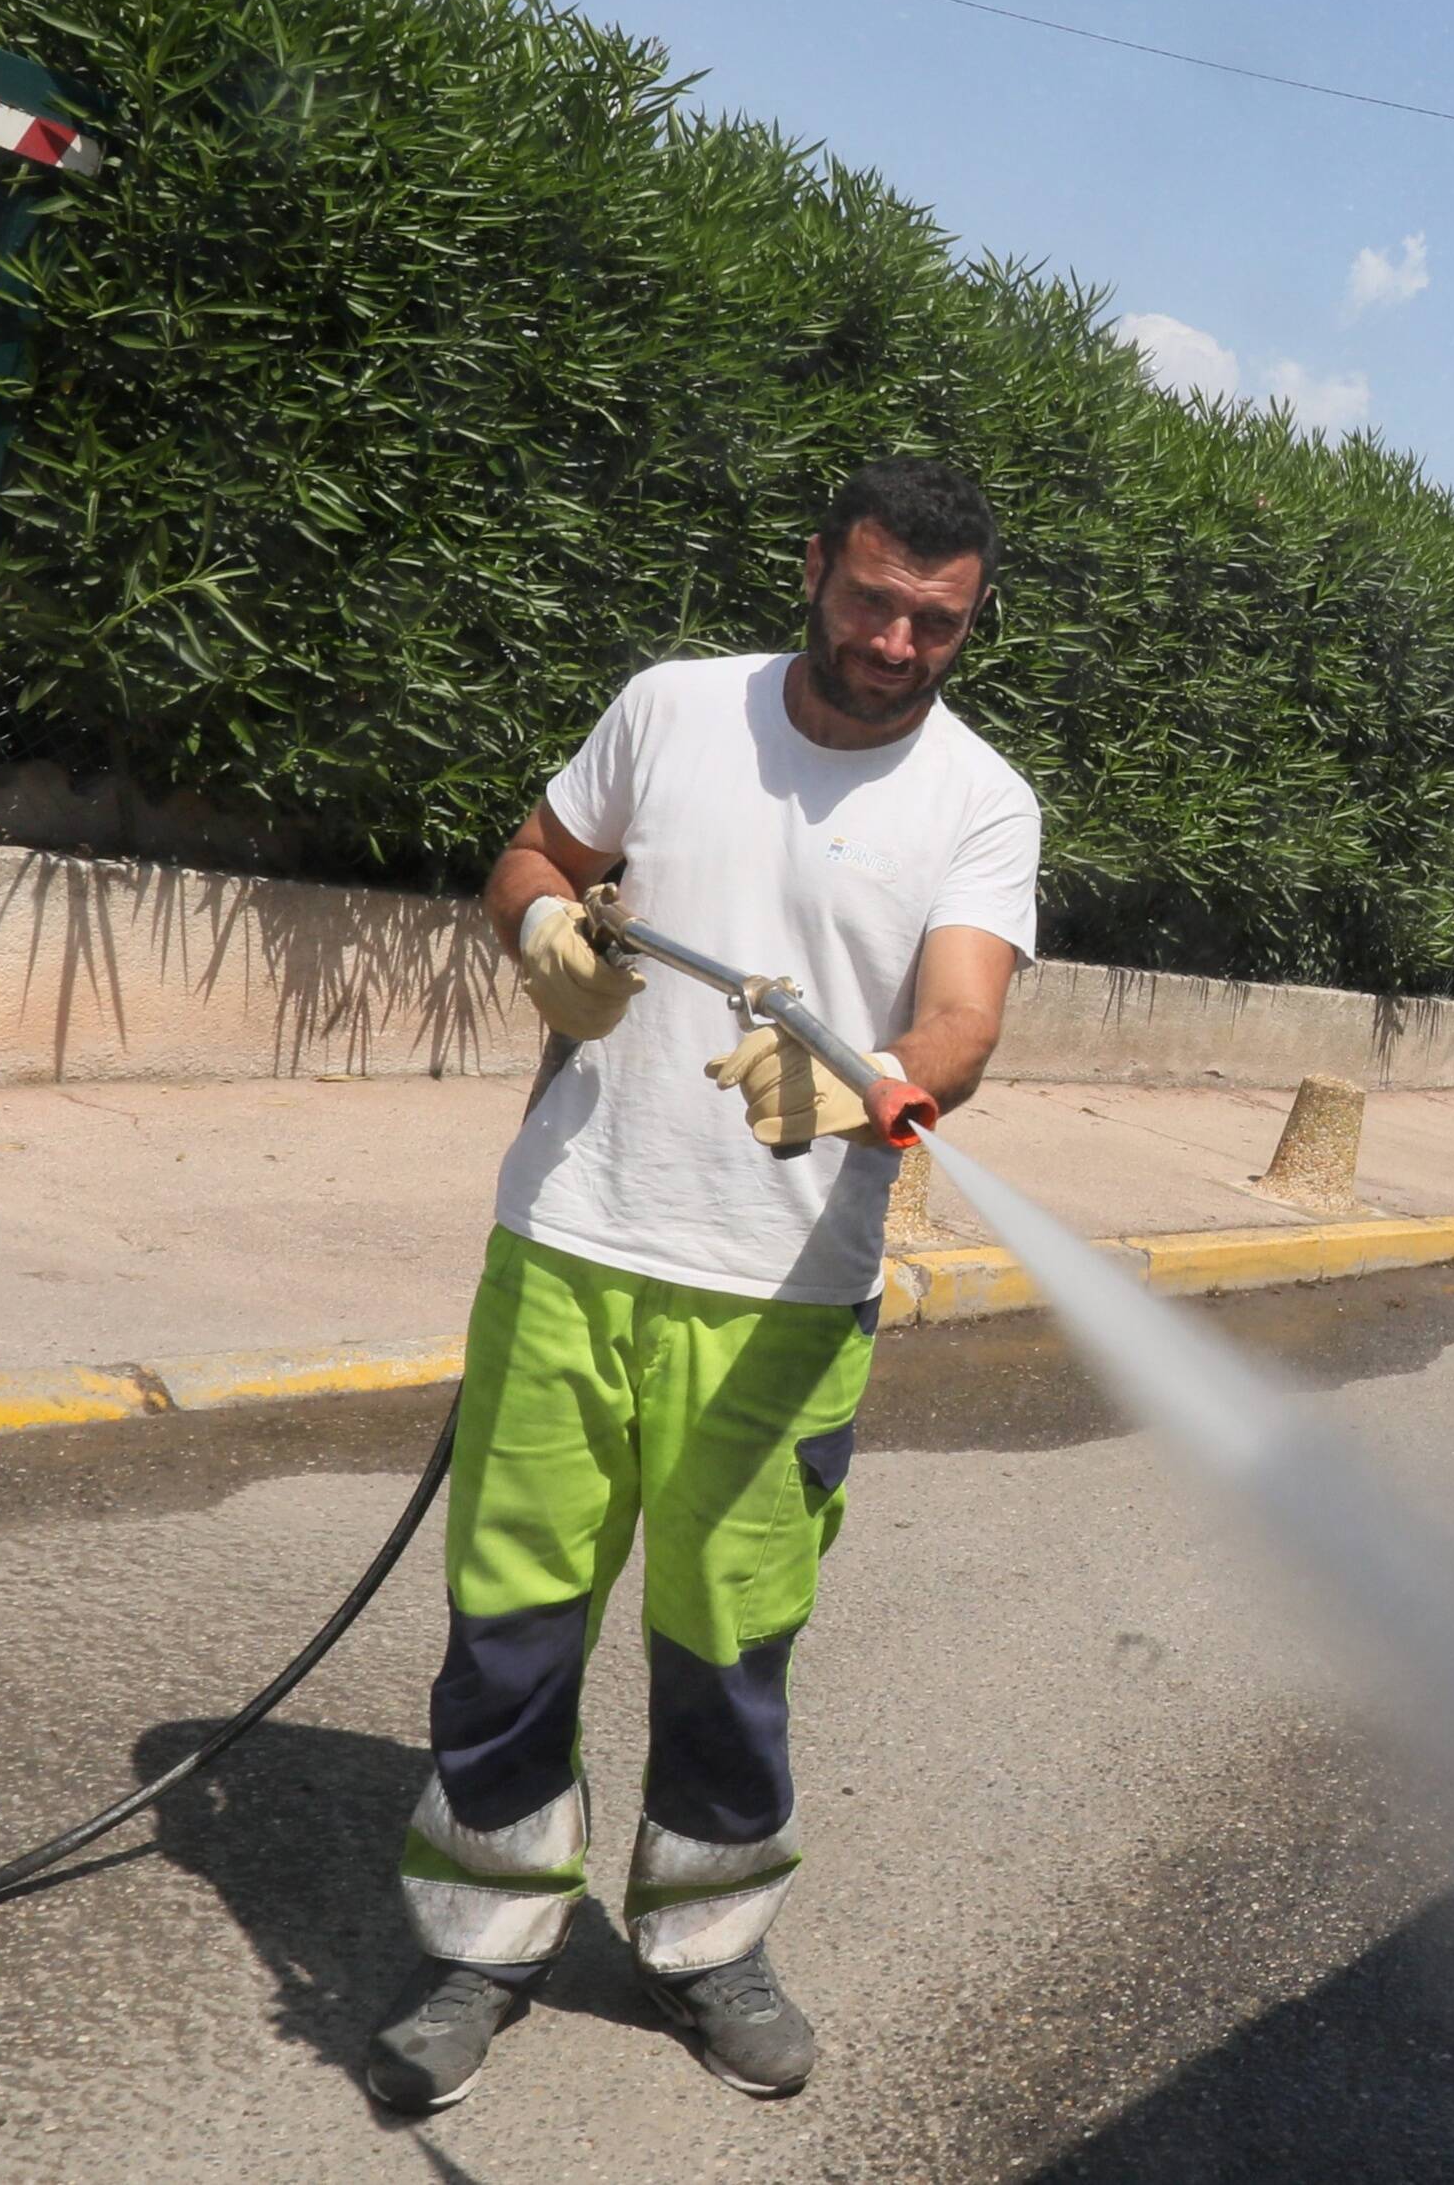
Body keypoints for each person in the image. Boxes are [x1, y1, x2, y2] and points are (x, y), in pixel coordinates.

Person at [365, 455, 1044, 2111]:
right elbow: (533, 854)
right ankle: (485, 1940)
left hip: (786, 1296)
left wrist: (871, 1084)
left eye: (936, 621)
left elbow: (962, 1017)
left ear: (970, 622)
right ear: (815, 566)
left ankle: (704, 1945)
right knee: (512, 1619)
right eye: (872, 598)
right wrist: (543, 934)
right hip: (573, 1239)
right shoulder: (672, 706)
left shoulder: (980, 797)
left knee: (732, 1643)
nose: (895, 642)